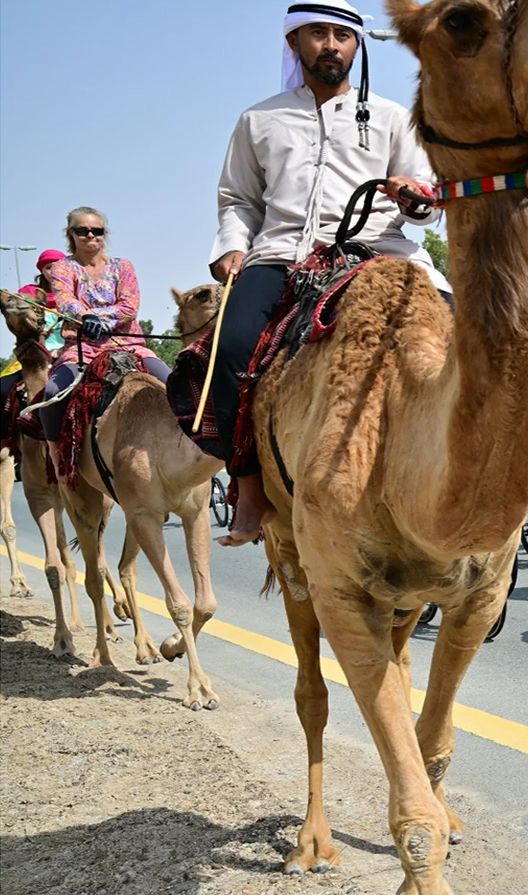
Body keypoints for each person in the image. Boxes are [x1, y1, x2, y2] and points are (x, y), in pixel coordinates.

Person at [199, 0, 445, 546]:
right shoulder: (258, 119)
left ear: (357, 46)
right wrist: (233, 248)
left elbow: (429, 199)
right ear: (295, 43)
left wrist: (414, 198)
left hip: (378, 251)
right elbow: (237, 198)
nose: (331, 45)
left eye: (342, 35)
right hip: (281, 255)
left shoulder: (392, 118)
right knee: (232, 343)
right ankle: (248, 488)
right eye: (317, 34)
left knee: (460, 338)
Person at [39, 207, 170, 436]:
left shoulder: (123, 266)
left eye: (97, 231)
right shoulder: (62, 268)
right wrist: (84, 317)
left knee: (173, 384)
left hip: (130, 346)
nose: (91, 235)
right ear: (71, 234)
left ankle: (200, 444)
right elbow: (65, 301)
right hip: (82, 348)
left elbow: (129, 306)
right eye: (83, 230)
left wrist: (99, 319)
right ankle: (57, 458)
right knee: (52, 394)